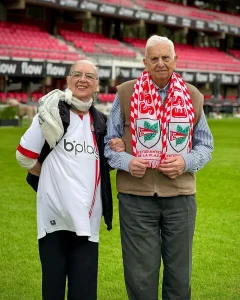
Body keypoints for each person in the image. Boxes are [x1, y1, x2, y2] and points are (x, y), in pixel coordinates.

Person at [104, 35, 214, 300]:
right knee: (140, 277)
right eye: (154, 58)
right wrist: (127, 162)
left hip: (180, 198)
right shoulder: (126, 93)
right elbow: (108, 145)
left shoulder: (192, 95)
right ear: (145, 62)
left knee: (179, 277)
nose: (161, 63)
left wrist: (186, 162)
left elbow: (206, 146)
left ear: (175, 60)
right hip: (136, 199)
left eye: (166, 57)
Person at [16, 60, 123, 300]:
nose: (82, 79)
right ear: (68, 80)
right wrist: (49, 178)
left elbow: (105, 165)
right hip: (54, 219)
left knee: (84, 293)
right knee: (53, 292)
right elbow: (24, 156)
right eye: (77, 74)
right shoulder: (51, 113)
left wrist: (119, 145)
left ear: (97, 85)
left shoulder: (102, 123)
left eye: (89, 76)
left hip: (88, 222)